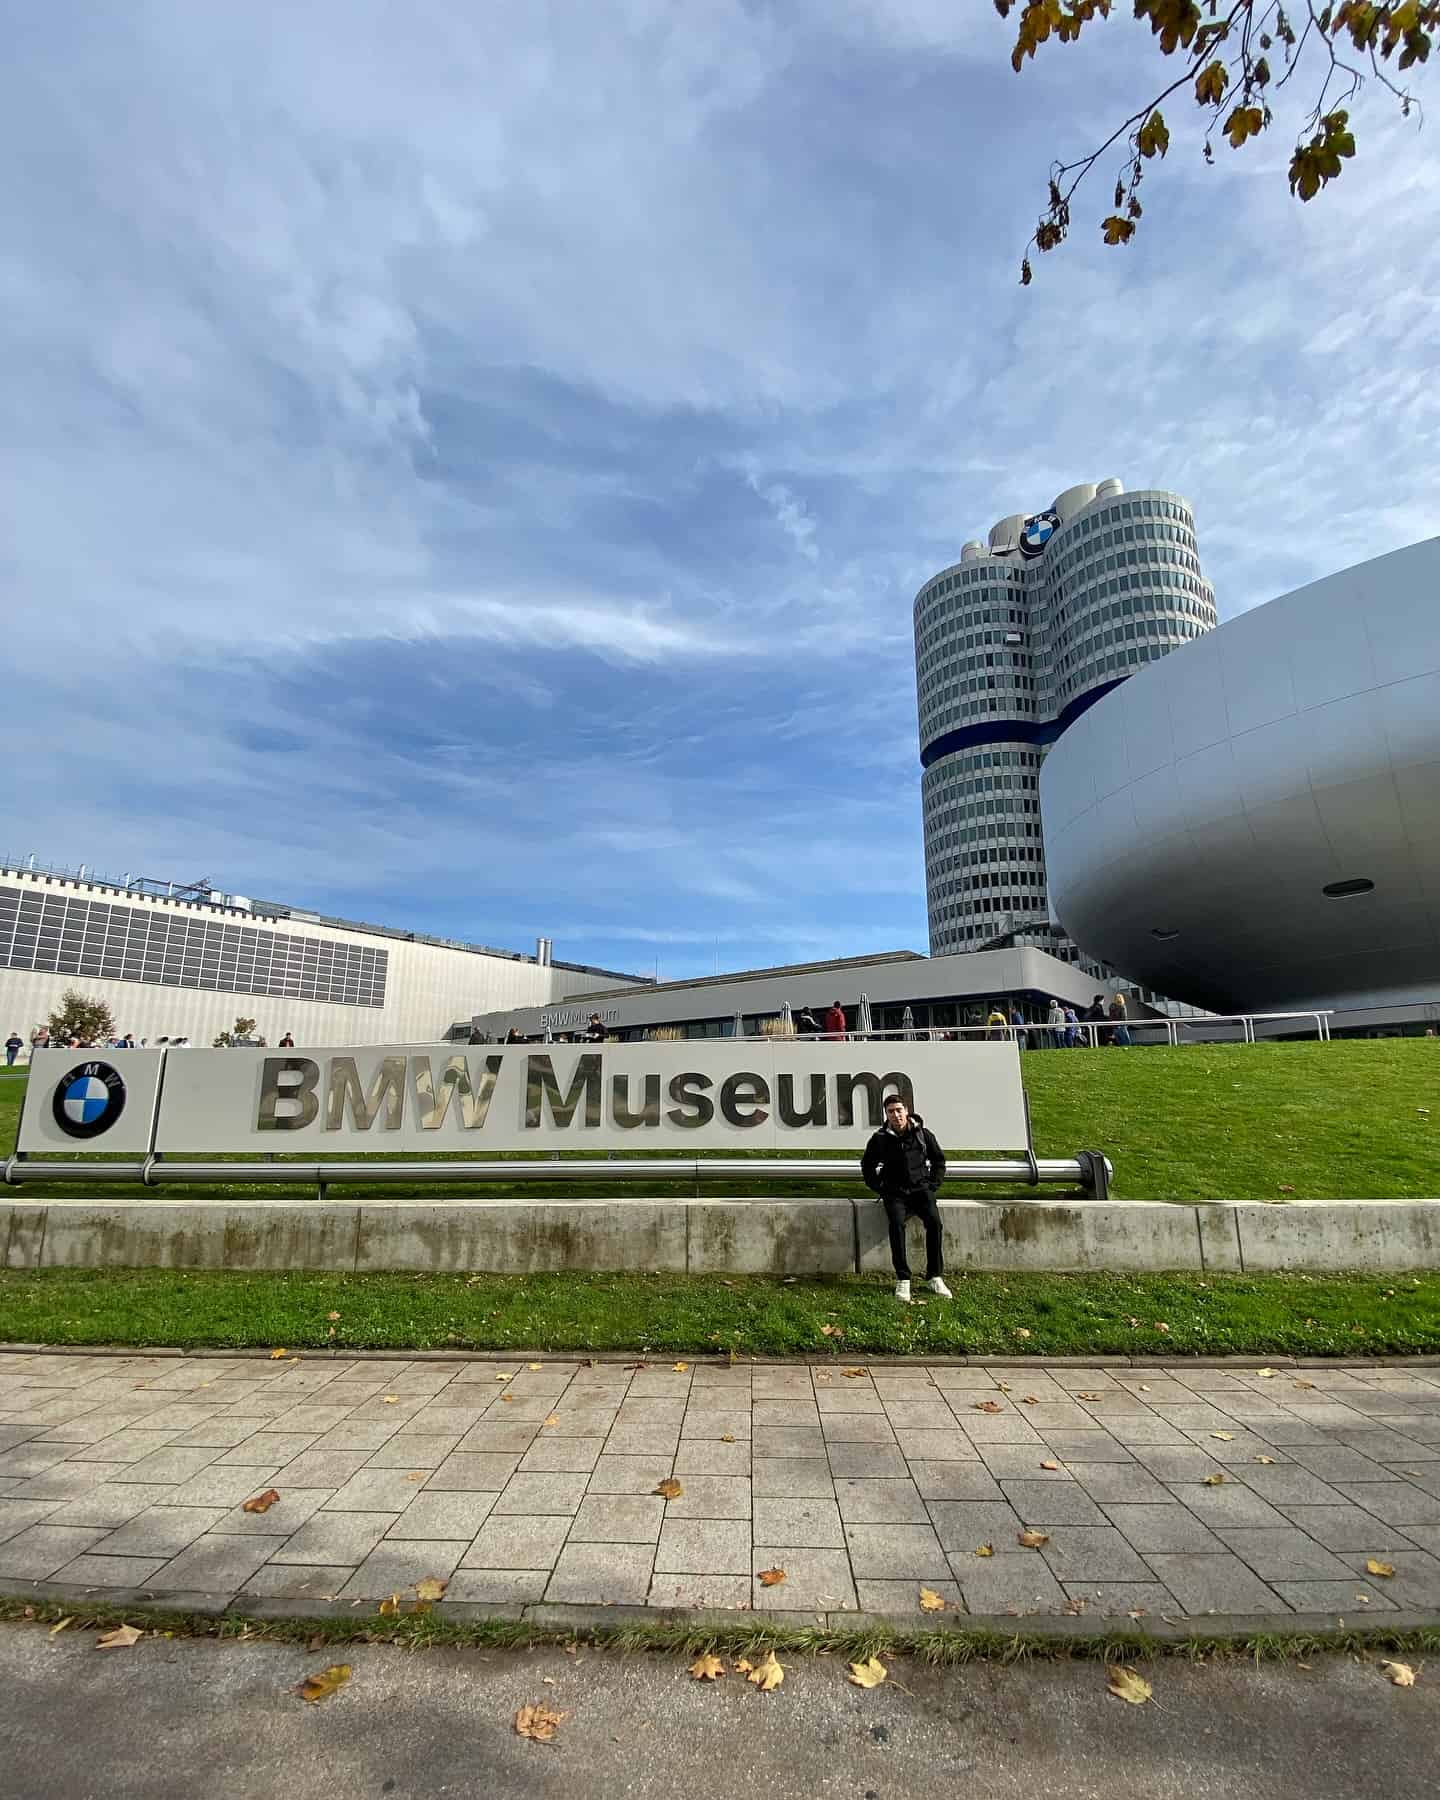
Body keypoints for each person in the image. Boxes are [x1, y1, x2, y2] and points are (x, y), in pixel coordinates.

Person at [861, 1093, 951, 1304]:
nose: (896, 1115)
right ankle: (903, 1278)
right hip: (895, 1192)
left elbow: (939, 1161)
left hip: (921, 1190)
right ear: (886, 1115)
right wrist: (879, 1187)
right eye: (891, 1112)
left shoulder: (923, 1134)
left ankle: (934, 1276)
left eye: (899, 1110)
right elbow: (867, 1165)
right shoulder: (880, 1139)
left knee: (934, 1224)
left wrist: (933, 1184)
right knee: (896, 1225)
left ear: (907, 1111)